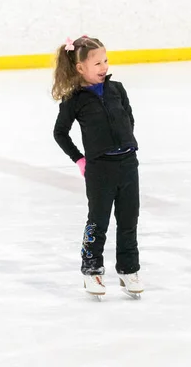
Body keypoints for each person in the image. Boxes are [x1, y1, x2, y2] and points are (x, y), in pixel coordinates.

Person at [52, 35, 144, 296]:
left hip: (127, 163)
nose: (104, 67)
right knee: (98, 222)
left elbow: (128, 118)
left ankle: (128, 270)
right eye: (97, 64)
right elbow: (60, 133)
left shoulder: (118, 89)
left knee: (129, 220)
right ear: (80, 68)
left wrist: (125, 143)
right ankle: (91, 271)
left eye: (105, 61)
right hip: (100, 169)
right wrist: (80, 159)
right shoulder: (74, 99)